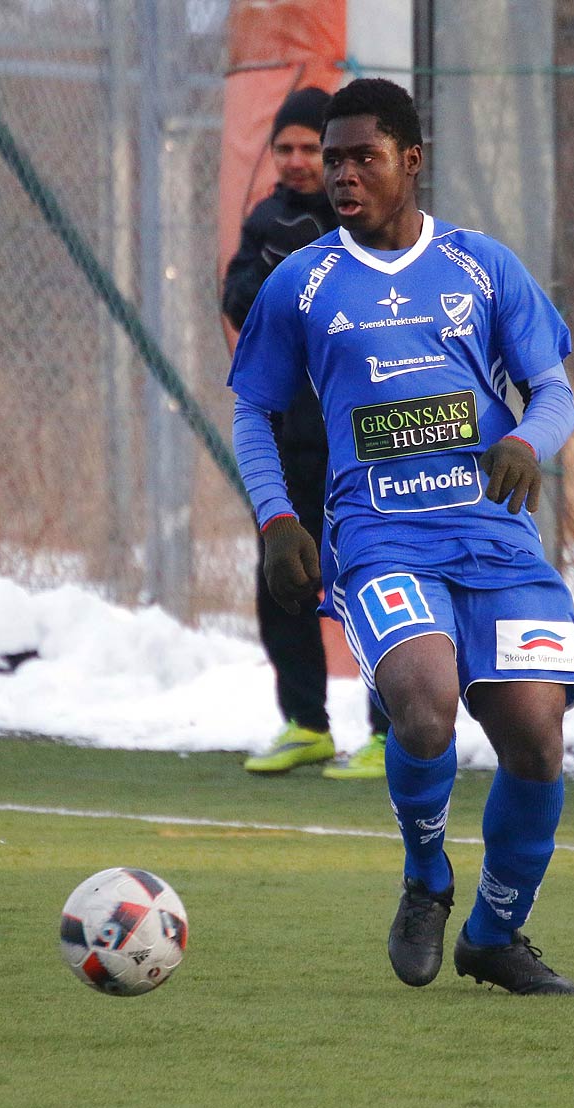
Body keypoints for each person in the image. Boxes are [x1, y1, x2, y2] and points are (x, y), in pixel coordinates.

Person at [228, 78, 574, 995]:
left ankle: (496, 935)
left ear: (411, 160)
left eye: (362, 158)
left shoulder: (481, 266)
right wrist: (277, 520)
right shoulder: (301, 281)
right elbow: (253, 411)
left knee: (537, 737)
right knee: (423, 703)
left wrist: (523, 441)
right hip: (381, 534)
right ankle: (426, 876)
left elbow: (552, 392)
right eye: (333, 160)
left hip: (493, 539)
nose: (343, 176)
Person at [223, 87, 391, 781]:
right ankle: (306, 722)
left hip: (366, 439)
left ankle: (394, 730)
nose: (297, 162)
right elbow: (236, 300)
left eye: (309, 149)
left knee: (377, 577)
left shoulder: (371, 219)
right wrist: (277, 277)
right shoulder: (267, 219)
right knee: (284, 577)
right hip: (294, 436)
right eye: (284, 148)